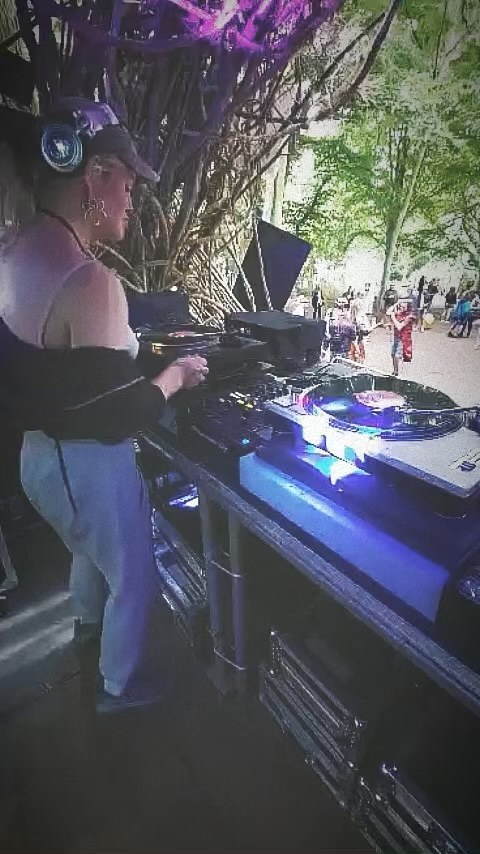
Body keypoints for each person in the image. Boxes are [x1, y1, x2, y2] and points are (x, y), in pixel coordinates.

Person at [0, 98, 209, 712]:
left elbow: (68, 369)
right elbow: (121, 412)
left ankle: (85, 632)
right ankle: (119, 686)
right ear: (94, 175)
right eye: (127, 183)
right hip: (87, 465)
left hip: (37, 461)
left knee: (86, 550)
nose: (131, 199)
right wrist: (175, 375)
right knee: (134, 575)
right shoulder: (91, 280)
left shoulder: (16, 247)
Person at [387, 298, 415, 377]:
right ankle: (395, 371)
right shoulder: (399, 312)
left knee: (397, 355)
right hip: (396, 336)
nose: (401, 309)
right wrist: (396, 303)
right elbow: (388, 312)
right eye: (400, 307)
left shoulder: (409, 316)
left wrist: (393, 317)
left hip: (403, 338)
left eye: (403, 307)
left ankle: (399, 373)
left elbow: (399, 327)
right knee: (393, 354)